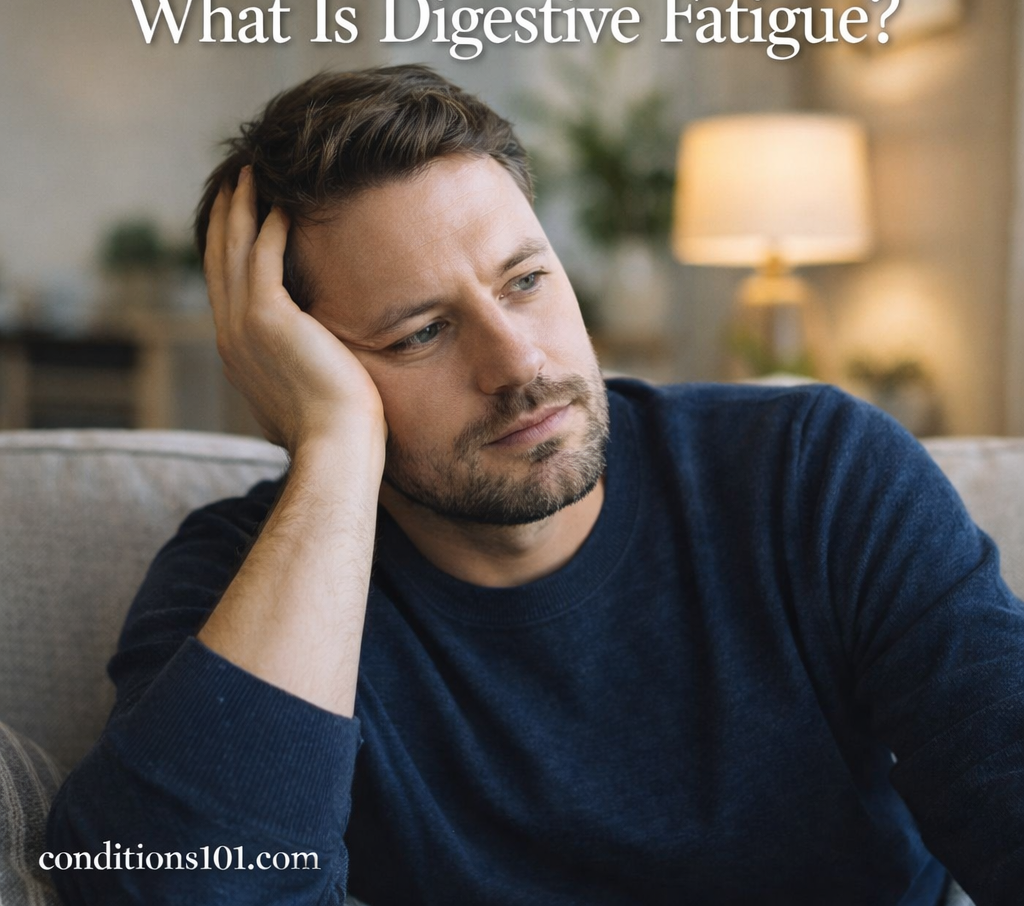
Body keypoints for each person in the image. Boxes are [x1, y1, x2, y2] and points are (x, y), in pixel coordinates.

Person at [47, 65, 1023, 906]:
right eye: (418, 332)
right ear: (295, 368)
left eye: (525, 280)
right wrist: (337, 453)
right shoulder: (249, 581)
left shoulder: (816, 474)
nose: (519, 360)